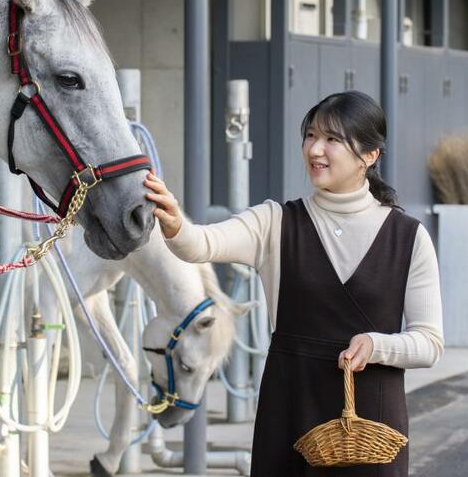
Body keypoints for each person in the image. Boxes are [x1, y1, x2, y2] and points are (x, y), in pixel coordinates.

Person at [144, 90, 443, 476]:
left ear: (370, 155)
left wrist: (377, 344)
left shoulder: (408, 237)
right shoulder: (275, 222)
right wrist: (174, 221)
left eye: (333, 139)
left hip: (372, 423)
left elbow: (430, 344)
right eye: (311, 135)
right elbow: (200, 243)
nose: (316, 149)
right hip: (290, 411)